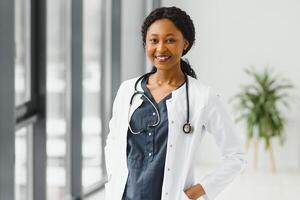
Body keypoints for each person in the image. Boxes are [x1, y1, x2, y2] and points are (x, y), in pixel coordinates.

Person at [104, 6, 247, 200]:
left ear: (185, 44)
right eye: (154, 40)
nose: (161, 48)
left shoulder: (203, 97)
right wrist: (113, 180)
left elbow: (235, 156)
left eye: (170, 40)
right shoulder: (128, 90)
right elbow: (113, 143)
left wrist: (197, 191)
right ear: (145, 44)